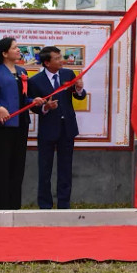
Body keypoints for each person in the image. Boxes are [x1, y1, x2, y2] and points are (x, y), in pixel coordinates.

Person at [0, 37, 45, 210]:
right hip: (4, 125)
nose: (19, 50)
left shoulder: (21, 71)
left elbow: (23, 98)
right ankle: (1, 206)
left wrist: (33, 100)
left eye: (18, 47)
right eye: (15, 48)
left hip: (21, 123)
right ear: (5, 53)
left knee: (18, 166)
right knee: (3, 165)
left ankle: (14, 207)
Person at [28, 46, 88, 209]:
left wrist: (79, 88)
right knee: (45, 170)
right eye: (57, 58)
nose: (62, 60)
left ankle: (64, 204)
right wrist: (46, 107)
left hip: (67, 128)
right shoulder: (35, 81)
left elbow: (79, 96)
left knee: (65, 169)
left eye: (61, 57)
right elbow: (33, 107)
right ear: (47, 63)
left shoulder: (68, 74)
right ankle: (45, 205)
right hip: (48, 129)